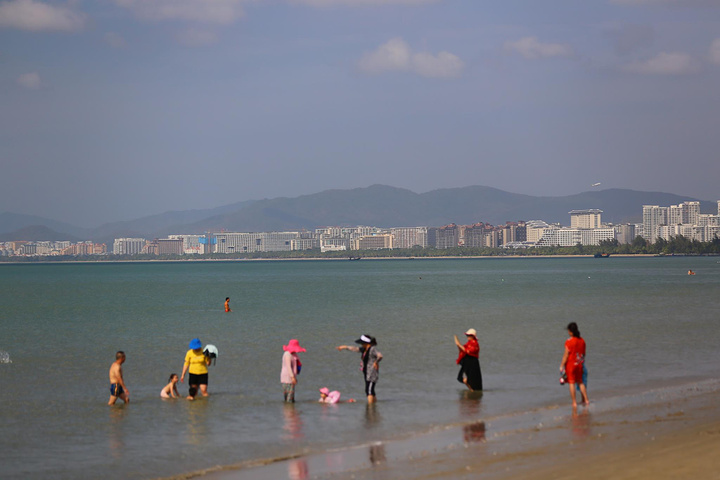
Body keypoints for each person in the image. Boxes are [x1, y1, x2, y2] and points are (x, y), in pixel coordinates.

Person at [337, 334, 383, 403]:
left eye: (362, 343)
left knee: (369, 390)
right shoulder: (364, 349)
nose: (361, 345)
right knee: (371, 390)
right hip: (366, 372)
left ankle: (370, 406)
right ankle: (374, 405)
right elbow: (355, 349)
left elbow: (380, 355)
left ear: (366, 343)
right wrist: (345, 347)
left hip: (372, 372)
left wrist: (376, 362)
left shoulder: (372, 349)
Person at [560, 322, 589, 407]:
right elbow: (584, 354)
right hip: (579, 364)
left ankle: (574, 402)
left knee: (571, 383)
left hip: (571, 365)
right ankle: (586, 400)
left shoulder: (569, 342)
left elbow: (566, 355)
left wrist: (561, 365)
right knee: (580, 382)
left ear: (571, 332)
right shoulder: (582, 340)